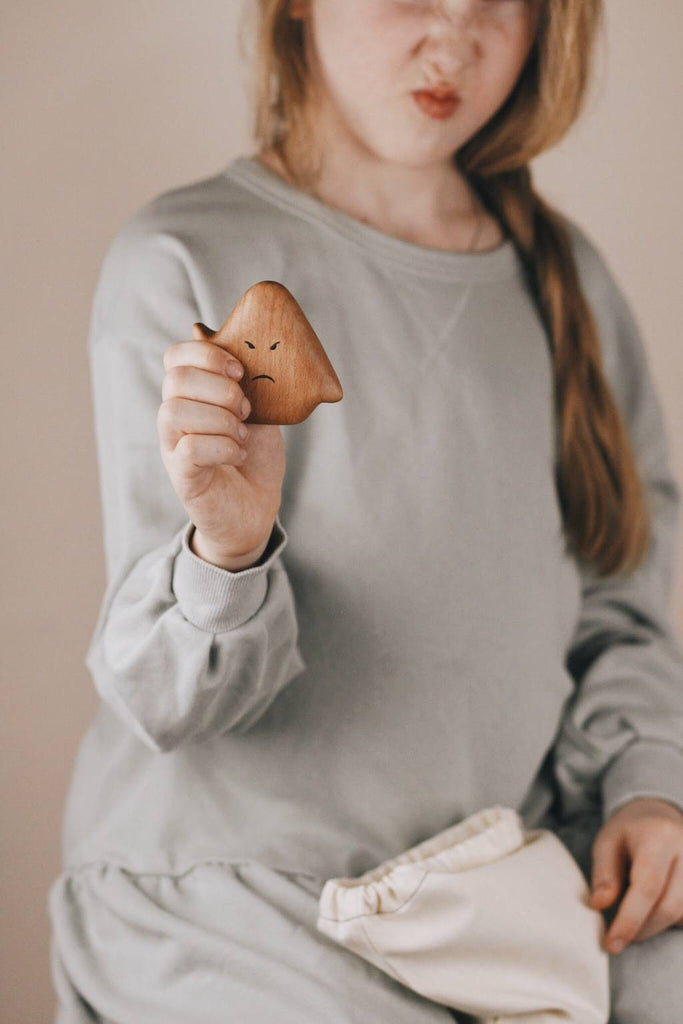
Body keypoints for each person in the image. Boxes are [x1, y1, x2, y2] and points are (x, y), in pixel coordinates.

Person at [48, 1, 683, 1022]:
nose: (454, 37)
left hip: (492, 893)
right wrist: (228, 546)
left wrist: (646, 783)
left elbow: (618, 603)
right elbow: (165, 702)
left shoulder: (568, 284)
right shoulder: (183, 257)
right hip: (236, 908)